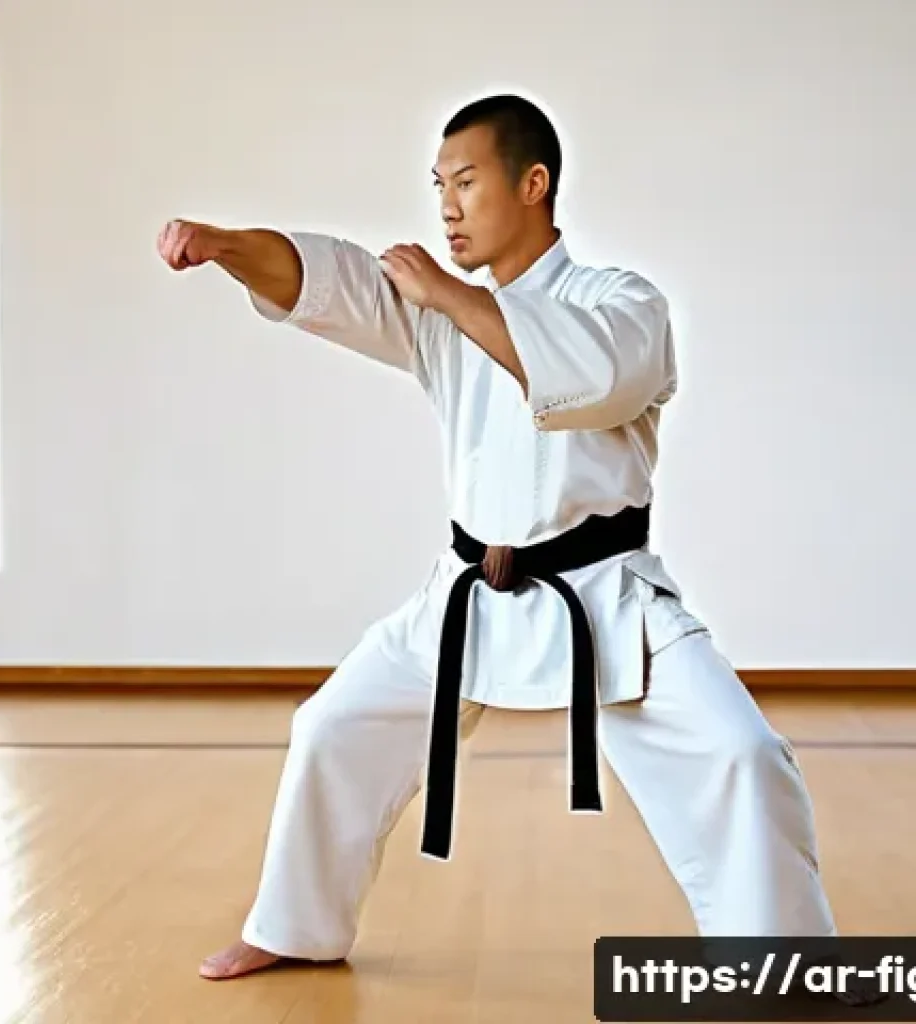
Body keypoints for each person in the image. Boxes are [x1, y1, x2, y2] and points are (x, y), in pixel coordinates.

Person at [157, 94, 838, 983]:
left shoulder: (622, 301)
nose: (446, 206)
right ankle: (295, 927)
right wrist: (225, 245)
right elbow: (328, 279)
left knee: (743, 755)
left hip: (606, 598)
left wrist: (447, 293)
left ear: (533, 183)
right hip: (468, 594)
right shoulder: (433, 314)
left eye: (466, 182)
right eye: (438, 185)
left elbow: (591, 379)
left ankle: (786, 963)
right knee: (333, 727)